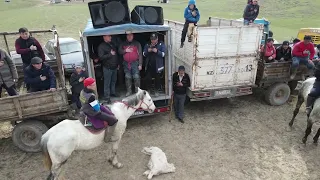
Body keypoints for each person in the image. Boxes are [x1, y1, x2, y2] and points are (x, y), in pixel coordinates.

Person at [98, 35, 119, 104]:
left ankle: (113, 93)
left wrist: (117, 63)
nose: (111, 37)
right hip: (107, 68)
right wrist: (110, 54)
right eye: (109, 36)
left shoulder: (112, 44)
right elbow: (101, 57)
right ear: (104, 37)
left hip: (114, 67)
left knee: (113, 81)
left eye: (110, 36)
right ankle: (107, 97)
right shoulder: (101, 46)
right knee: (107, 83)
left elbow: (115, 55)